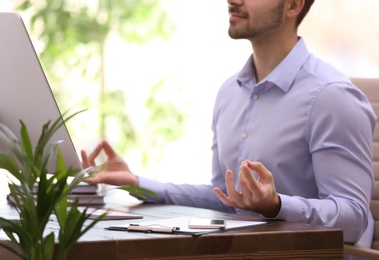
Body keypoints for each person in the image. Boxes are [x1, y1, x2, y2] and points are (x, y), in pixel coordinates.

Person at [81, 0, 377, 252]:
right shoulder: (230, 92)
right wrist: (137, 183)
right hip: (247, 252)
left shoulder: (331, 96)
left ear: (293, 5)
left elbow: (353, 221)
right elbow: (224, 196)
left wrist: (276, 205)